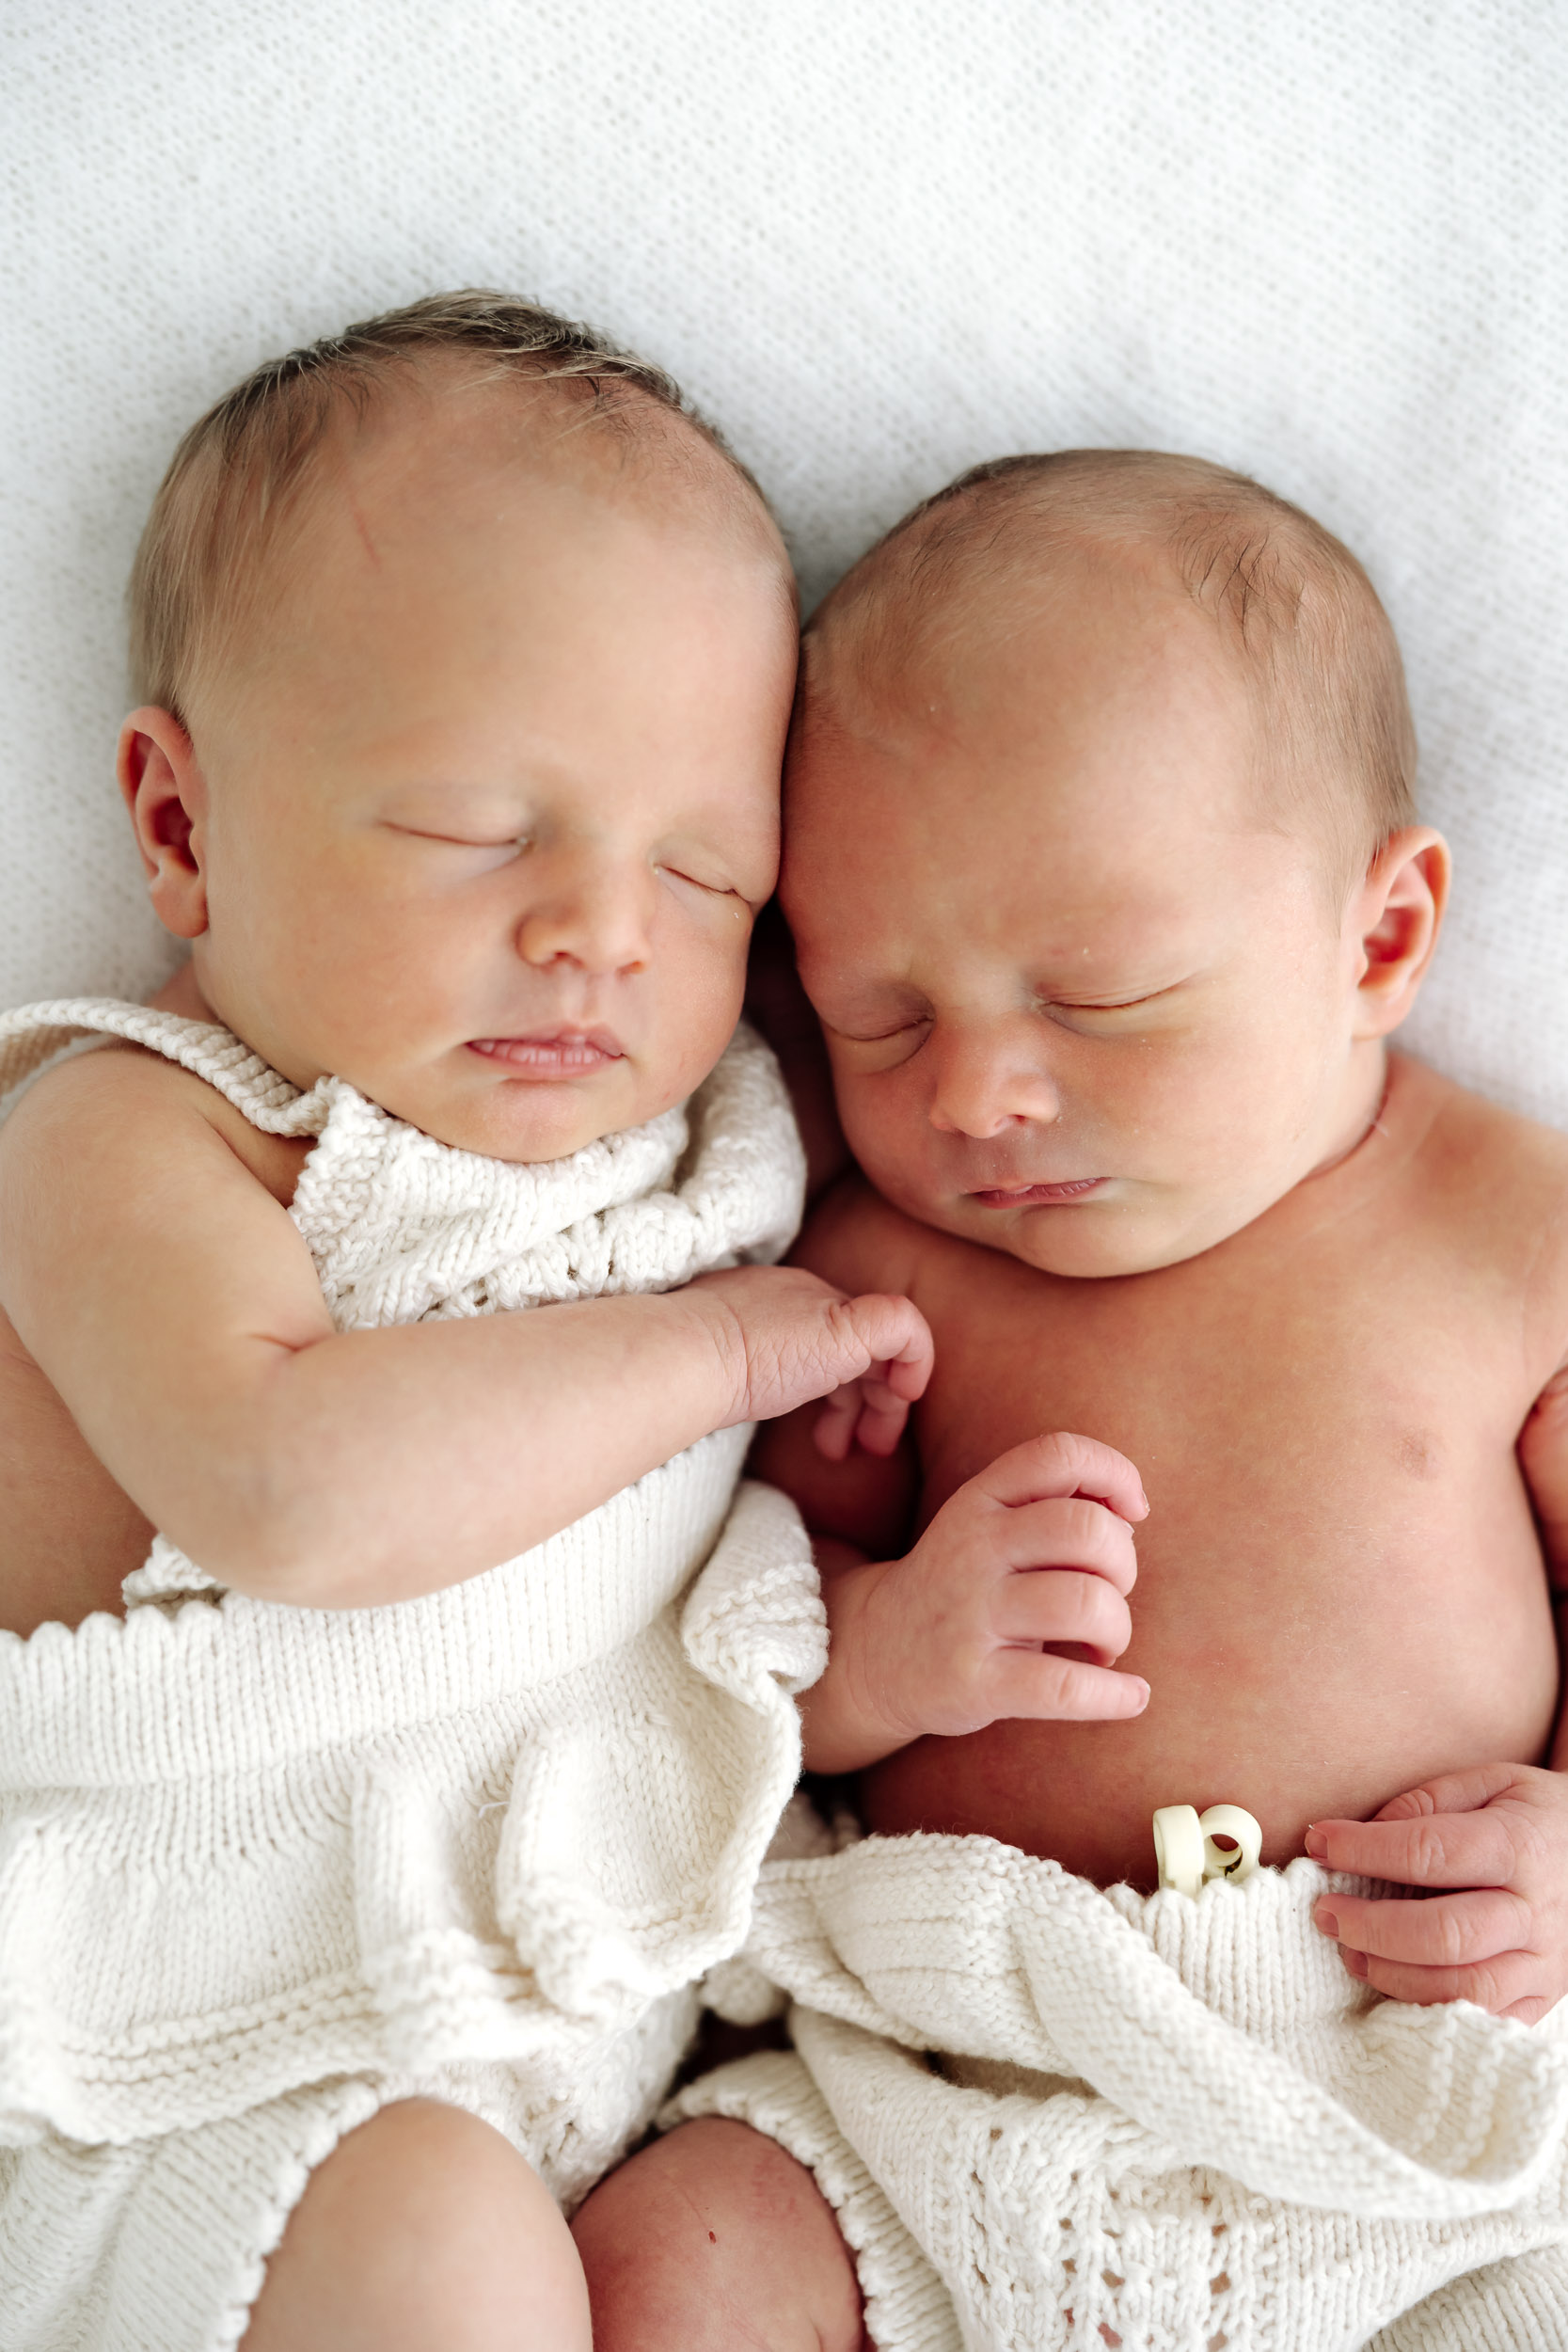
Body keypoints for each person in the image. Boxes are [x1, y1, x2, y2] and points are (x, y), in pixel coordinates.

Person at [0, 292, 939, 2352]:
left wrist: (840, 1573)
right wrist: (708, 1361)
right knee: (446, 2247)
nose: (604, 925)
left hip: (568, 2079)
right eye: (476, 826)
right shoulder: (133, 1135)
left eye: (708, 872)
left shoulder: (707, 1167)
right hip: (156, 2079)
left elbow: (673, 1618)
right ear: (179, 825)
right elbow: (287, 1480)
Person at [575, 451, 1568, 2352]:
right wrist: (889, 1639)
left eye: (1096, 998)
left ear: (1378, 938)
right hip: (955, 2064)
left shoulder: (1511, 1233)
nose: (976, 1094)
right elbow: (723, 1666)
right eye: (880, 1014)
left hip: (1414, 2101)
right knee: (666, 2265)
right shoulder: (873, 1278)